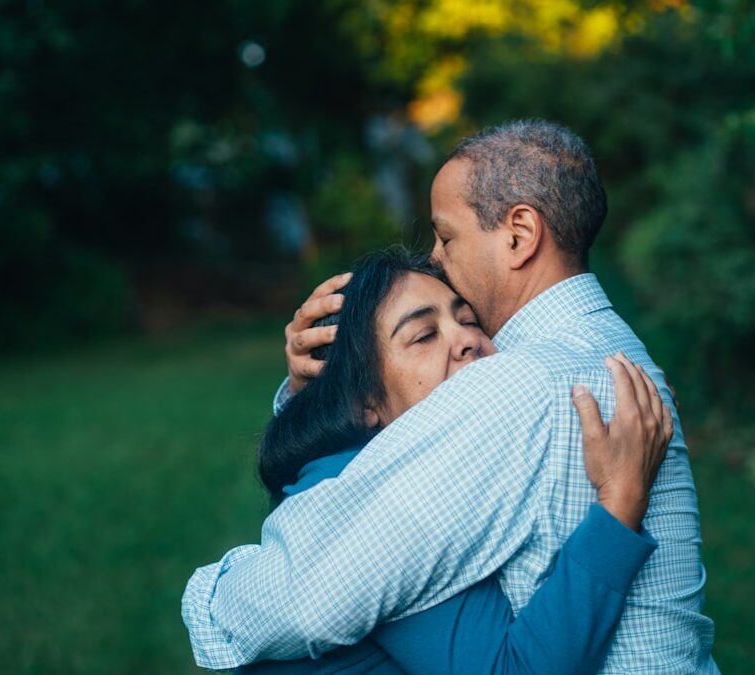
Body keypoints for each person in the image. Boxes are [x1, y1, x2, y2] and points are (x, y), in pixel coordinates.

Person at [184, 120, 718, 672]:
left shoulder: (517, 384)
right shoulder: (617, 356)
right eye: (423, 333)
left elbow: (304, 595)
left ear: (519, 234)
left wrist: (212, 597)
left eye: (446, 236)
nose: (437, 258)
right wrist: (315, 392)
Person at [244, 250, 671, 673]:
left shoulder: (385, 463)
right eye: (424, 336)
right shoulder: (385, 504)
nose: (468, 339)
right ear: (363, 402)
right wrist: (620, 501)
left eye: (468, 320)